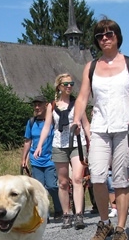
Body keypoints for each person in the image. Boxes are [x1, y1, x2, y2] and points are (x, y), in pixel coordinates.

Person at [72, 17, 129, 240]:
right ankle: (105, 223)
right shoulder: (91, 67)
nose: (105, 38)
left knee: (122, 179)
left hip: (125, 127)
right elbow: (83, 96)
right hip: (100, 128)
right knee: (96, 177)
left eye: (109, 34)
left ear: (117, 36)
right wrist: (76, 118)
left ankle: (121, 229)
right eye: (100, 35)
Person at [35, 74, 91, 230]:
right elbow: (47, 127)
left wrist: (92, 140)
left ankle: (79, 214)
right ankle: (67, 215)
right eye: (66, 84)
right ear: (59, 86)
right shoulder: (51, 106)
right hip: (59, 144)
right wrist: (39, 145)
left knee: (78, 178)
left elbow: (86, 124)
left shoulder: (77, 104)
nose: (69, 86)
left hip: (77, 143)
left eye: (71, 83)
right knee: (63, 182)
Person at [21, 95, 62, 221]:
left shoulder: (53, 121)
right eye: (35, 105)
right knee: (39, 188)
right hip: (36, 160)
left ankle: (59, 208)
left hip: (50, 159)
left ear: (46, 106)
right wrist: (24, 159)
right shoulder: (31, 122)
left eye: (39, 104)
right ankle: (44, 213)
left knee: (52, 186)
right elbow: (28, 141)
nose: (37, 107)